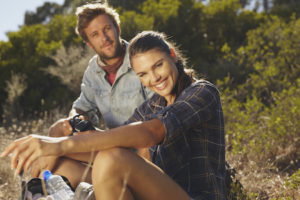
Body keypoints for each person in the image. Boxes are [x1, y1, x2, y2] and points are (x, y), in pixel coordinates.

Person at [1, 31, 226, 199]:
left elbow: (150, 132)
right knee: (63, 169)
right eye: (143, 74)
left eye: (158, 65)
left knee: (111, 159)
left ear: (173, 56)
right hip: (155, 190)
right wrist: (65, 134)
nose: (154, 78)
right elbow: (117, 141)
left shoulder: (202, 92)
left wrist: (60, 144)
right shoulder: (153, 105)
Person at [29, 2, 152, 188]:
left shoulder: (140, 57)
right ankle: (34, 187)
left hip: (144, 149)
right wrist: (78, 119)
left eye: (107, 29)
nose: (104, 38)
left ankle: (33, 185)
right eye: (95, 35)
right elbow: (80, 106)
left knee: (59, 159)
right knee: (60, 130)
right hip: (112, 145)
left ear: (117, 28)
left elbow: (156, 121)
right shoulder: (93, 70)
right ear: (88, 42)